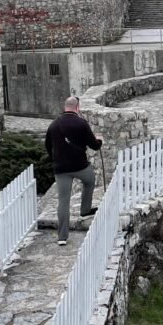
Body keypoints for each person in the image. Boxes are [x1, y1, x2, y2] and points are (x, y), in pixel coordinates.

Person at [45, 95, 102, 245]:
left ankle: (62, 237)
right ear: (77, 107)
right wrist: (99, 140)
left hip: (61, 169)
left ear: (65, 107)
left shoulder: (54, 124)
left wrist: (55, 159)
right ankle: (85, 210)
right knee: (90, 181)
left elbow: (47, 145)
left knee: (63, 201)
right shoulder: (81, 123)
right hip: (80, 166)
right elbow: (94, 145)